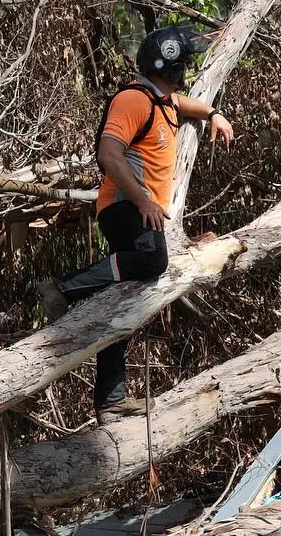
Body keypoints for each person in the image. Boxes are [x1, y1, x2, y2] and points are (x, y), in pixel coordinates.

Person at [37, 25, 234, 420]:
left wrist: (214, 114)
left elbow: (184, 104)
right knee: (153, 261)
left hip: (138, 207)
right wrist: (143, 199)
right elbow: (109, 154)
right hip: (124, 206)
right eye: (183, 66)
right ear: (173, 68)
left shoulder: (162, 100)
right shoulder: (133, 100)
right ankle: (61, 287)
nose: (186, 73)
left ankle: (110, 399)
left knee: (121, 305)